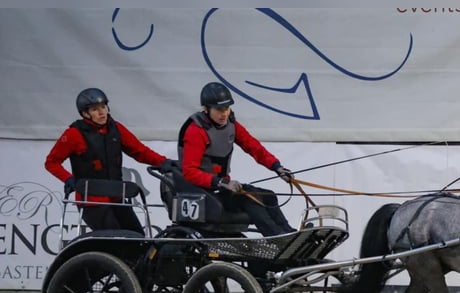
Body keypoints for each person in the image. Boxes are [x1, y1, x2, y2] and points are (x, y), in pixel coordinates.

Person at [45, 87, 175, 234]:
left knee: (138, 237)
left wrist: (163, 162)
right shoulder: (74, 134)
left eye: (103, 107)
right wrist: (69, 179)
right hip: (92, 201)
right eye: (95, 109)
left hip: (117, 197)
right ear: (85, 113)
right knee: (115, 240)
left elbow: (140, 151)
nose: (102, 112)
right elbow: (51, 162)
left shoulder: (116, 128)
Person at [177, 81, 296, 236]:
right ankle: (277, 238)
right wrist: (220, 182)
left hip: (222, 188)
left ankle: (289, 234)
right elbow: (189, 172)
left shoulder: (231, 124)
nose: (224, 113)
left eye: (227, 108)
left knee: (269, 196)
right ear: (206, 109)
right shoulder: (196, 131)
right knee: (250, 200)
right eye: (219, 109)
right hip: (203, 194)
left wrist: (277, 167)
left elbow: (253, 146)